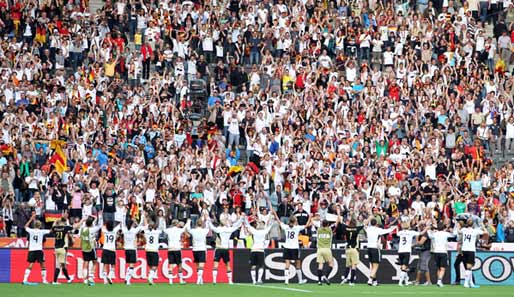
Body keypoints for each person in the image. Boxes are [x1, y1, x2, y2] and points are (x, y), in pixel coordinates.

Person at [274, 210, 312, 285]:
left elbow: (278, 221)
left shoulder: (286, 227)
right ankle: (300, 280)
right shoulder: (297, 228)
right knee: (298, 264)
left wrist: (275, 214)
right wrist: (310, 217)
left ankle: (286, 280)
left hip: (287, 247)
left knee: (287, 264)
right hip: (295, 248)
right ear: (295, 221)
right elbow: (307, 225)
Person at [207, 215, 244, 284]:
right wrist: (241, 219)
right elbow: (237, 226)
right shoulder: (229, 229)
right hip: (225, 249)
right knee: (228, 265)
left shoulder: (219, 229)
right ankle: (230, 281)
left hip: (218, 249)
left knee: (215, 265)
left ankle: (214, 280)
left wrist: (208, 220)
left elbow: (212, 227)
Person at [364, 218, 397, 286]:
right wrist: (393, 228)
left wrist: (368, 219)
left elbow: (364, 225)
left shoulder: (368, 229)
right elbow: (386, 231)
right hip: (375, 248)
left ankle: (375, 281)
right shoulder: (377, 229)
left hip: (369, 248)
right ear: (376, 224)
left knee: (373, 265)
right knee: (376, 265)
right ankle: (370, 280)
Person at [244, 215, 274, 285]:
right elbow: (270, 225)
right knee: (261, 266)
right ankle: (259, 279)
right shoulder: (264, 231)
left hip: (254, 250)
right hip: (260, 250)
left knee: (253, 265)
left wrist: (245, 218)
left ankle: (254, 281)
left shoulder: (254, 231)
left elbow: (248, 225)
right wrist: (272, 219)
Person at [22, 213, 51, 285]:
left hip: (31, 250)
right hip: (39, 250)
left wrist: (30, 219)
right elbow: (50, 231)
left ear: (34, 225)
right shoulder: (42, 231)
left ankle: (24, 279)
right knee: (42, 265)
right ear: (40, 225)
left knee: (31, 264)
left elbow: (25, 227)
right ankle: (44, 280)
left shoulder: (31, 231)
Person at [459, 219, 486, 289]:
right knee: (469, 267)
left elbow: (458, 231)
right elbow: (485, 233)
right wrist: (483, 227)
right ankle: (465, 283)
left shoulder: (463, 229)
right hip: (471, 250)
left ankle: (471, 283)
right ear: (473, 224)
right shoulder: (475, 231)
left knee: (468, 268)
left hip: (464, 249)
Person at [396, 221, 426, 286]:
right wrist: (426, 228)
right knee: (404, 267)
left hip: (400, 251)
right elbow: (421, 233)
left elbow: (397, 233)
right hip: (407, 251)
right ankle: (400, 282)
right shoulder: (411, 232)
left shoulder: (400, 232)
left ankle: (406, 281)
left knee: (403, 267)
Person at [428, 222, 456, 287]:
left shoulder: (435, 234)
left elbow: (429, 235)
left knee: (438, 268)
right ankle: (439, 281)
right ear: (443, 228)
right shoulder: (445, 233)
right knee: (442, 268)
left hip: (436, 252)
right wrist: (452, 229)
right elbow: (454, 235)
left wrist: (429, 229)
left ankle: (439, 281)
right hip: (443, 252)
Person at [163, 219, 190, 284]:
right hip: (177, 248)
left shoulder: (169, 230)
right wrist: (188, 222)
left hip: (170, 248)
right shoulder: (179, 230)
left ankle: (170, 281)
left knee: (171, 265)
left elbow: (163, 229)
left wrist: (164, 222)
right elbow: (185, 228)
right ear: (177, 224)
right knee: (179, 264)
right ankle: (181, 280)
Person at [340, 217, 365, 286]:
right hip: (354, 249)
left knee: (348, 265)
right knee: (354, 266)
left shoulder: (346, 228)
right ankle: (351, 281)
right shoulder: (356, 229)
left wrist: (339, 214)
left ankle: (345, 277)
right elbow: (364, 224)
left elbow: (341, 223)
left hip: (347, 249)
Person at [186, 216, 210, 285]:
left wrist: (188, 221)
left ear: (196, 224)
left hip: (195, 249)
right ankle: (198, 280)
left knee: (197, 265)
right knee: (201, 265)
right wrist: (207, 221)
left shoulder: (193, 231)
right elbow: (208, 228)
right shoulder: (204, 230)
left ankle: (200, 279)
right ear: (202, 224)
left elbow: (188, 228)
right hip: (202, 249)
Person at [316, 216, 340, 286]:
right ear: (327, 224)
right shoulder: (329, 230)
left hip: (319, 249)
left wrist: (316, 218)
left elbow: (311, 221)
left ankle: (319, 281)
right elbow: (337, 222)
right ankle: (325, 276)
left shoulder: (319, 229)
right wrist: (338, 213)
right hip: (327, 249)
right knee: (331, 264)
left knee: (320, 265)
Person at [79, 214, 102, 286]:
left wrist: (85, 219)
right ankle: (91, 277)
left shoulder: (82, 229)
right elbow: (100, 225)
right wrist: (100, 217)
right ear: (91, 223)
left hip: (84, 248)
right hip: (91, 248)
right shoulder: (92, 229)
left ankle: (85, 279)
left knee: (86, 263)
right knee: (95, 262)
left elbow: (79, 235)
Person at [50, 217, 74, 284]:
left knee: (63, 265)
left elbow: (52, 227)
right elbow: (73, 227)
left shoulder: (55, 228)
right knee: (59, 265)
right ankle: (54, 281)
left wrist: (56, 220)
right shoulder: (65, 228)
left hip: (56, 248)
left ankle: (68, 279)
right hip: (63, 247)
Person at [122, 219, 144, 285]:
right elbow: (140, 226)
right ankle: (127, 280)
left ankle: (126, 278)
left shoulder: (124, 230)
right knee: (131, 265)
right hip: (132, 249)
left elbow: (122, 224)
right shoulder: (134, 230)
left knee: (129, 265)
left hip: (126, 249)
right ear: (132, 224)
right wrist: (140, 218)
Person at [142, 214, 162, 285]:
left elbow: (145, 224)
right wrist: (158, 218)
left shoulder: (146, 232)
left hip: (147, 250)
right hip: (154, 250)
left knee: (150, 265)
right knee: (155, 266)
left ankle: (151, 279)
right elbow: (158, 225)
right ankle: (150, 277)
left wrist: (144, 217)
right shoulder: (157, 232)